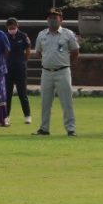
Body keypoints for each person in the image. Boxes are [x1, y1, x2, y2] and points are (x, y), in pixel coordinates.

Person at [33, 8, 80, 136]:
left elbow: (75, 51)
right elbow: (38, 52)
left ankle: (70, 129)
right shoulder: (42, 34)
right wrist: (48, 61)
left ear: (61, 19)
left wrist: (65, 62)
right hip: (46, 72)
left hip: (62, 71)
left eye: (55, 17)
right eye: (50, 17)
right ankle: (44, 128)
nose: (52, 19)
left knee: (67, 102)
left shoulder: (68, 34)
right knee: (45, 102)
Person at [4, 17, 32, 125]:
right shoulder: (5, 36)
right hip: (8, 68)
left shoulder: (23, 36)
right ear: (7, 27)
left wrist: (24, 61)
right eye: (10, 28)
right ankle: (6, 116)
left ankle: (27, 115)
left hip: (20, 67)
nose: (12, 29)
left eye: (13, 27)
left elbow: (28, 49)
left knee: (22, 93)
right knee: (7, 93)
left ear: (17, 26)